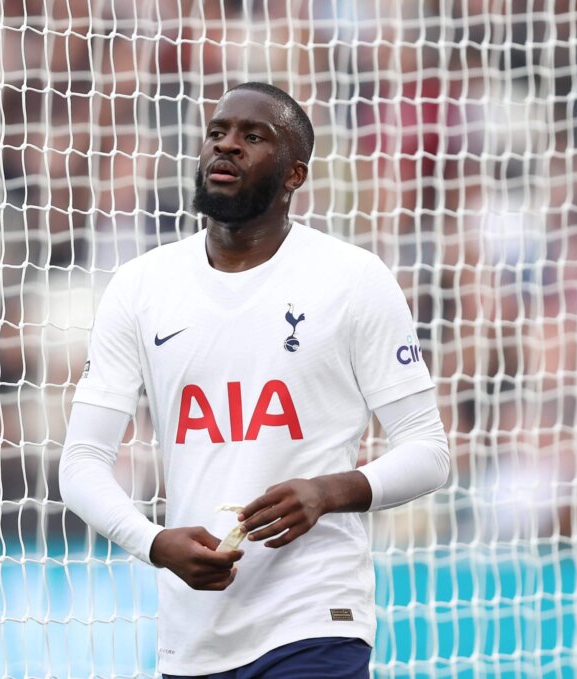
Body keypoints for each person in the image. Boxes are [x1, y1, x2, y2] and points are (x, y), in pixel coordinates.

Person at [59, 82, 450, 678]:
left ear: (294, 174)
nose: (228, 145)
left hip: (317, 617)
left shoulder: (352, 279)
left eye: (252, 136)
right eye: (218, 132)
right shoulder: (141, 286)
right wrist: (153, 542)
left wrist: (325, 493)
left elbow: (429, 451)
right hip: (196, 630)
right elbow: (82, 460)